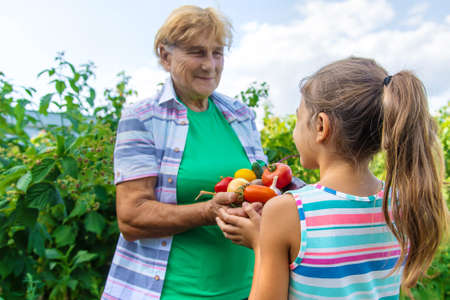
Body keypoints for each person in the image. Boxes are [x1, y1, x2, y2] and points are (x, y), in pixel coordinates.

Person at [217, 57, 448, 299]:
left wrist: (261, 243)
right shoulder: (400, 203)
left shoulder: (288, 211)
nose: (295, 131)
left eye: (298, 119)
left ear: (320, 126)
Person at [101, 5, 266, 300]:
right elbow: (131, 218)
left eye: (217, 52)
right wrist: (207, 211)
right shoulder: (143, 118)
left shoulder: (241, 115)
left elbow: (262, 186)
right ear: (166, 57)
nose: (210, 64)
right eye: (197, 52)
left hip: (249, 288)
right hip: (175, 291)